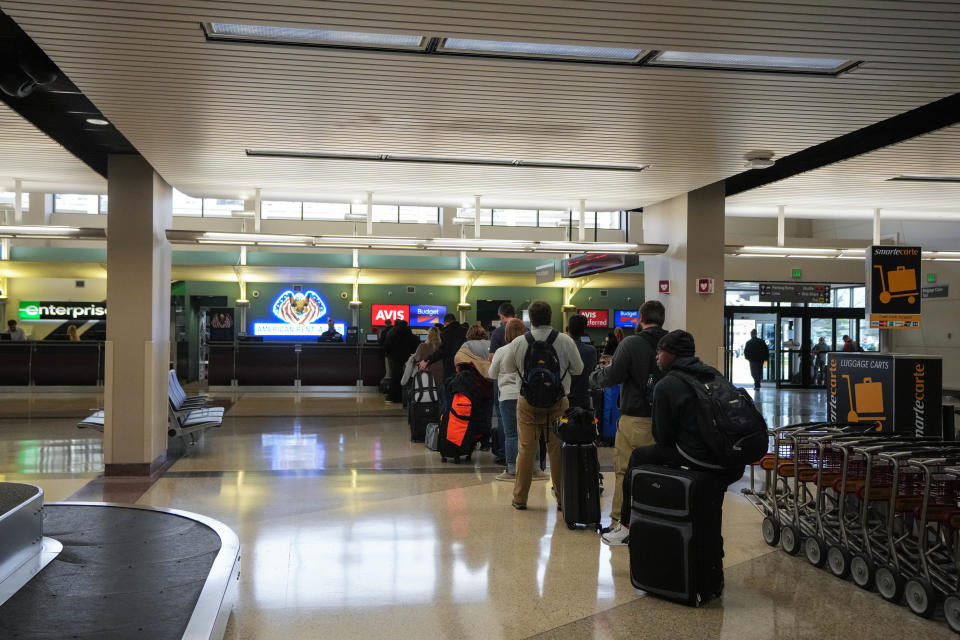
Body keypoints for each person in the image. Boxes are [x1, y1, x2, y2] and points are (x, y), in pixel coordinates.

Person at [602, 330, 745, 546]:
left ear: (672, 354)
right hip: (729, 458)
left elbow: (662, 436)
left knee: (638, 458)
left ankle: (626, 525)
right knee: (709, 521)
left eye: (661, 351)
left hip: (697, 456)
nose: (657, 356)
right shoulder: (712, 373)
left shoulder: (667, 385)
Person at [488, 300, 583, 511]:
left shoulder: (520, 342)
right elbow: (578, 369)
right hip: (559, 402)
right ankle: (561, 498)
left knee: (525, 449)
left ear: (530, 319)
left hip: (527, 403)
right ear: (551, 317)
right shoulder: (565, 341)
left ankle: (520, 498)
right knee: (556, 450)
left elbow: (508, 368)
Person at [589, 300, 667, 533]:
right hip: (668, 419)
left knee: (625, 470)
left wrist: (593, 377)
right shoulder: (673, 342)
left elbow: (611, 376)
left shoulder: (632, 343)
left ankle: (621, 523)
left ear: (640, 318)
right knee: (660, 470)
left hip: (637, 418)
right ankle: (657, 520)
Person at [419, 313, 468, 409]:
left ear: (446, 323)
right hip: (464, 368)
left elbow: (441, 351)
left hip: (450, 369)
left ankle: (449, 419)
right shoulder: (465, 332)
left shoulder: (446, 333)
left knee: (449, 396)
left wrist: (427, 360)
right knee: (462, 396)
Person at [488, 303, 517, 465]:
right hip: (523, 385)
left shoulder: (499, 332)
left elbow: (492, 358)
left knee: (502, 418)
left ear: (501, 316)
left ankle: (504, 455)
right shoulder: (525, 332)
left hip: (503, 383)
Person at [566, 314, 597, 411]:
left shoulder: (561, 349)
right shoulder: (591, 351)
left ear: (567, 329)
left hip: (564, 402)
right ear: (584, 331)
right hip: (583, 400)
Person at [384, 319, 419, 403]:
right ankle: (407, 398)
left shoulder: (392, 335)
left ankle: (394, 397)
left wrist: (391, 356)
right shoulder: (412, 336)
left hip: (395, 360)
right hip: (408, 361)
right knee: (408, 379)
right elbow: (417, 347)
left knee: (395, 379)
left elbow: (386, 347)